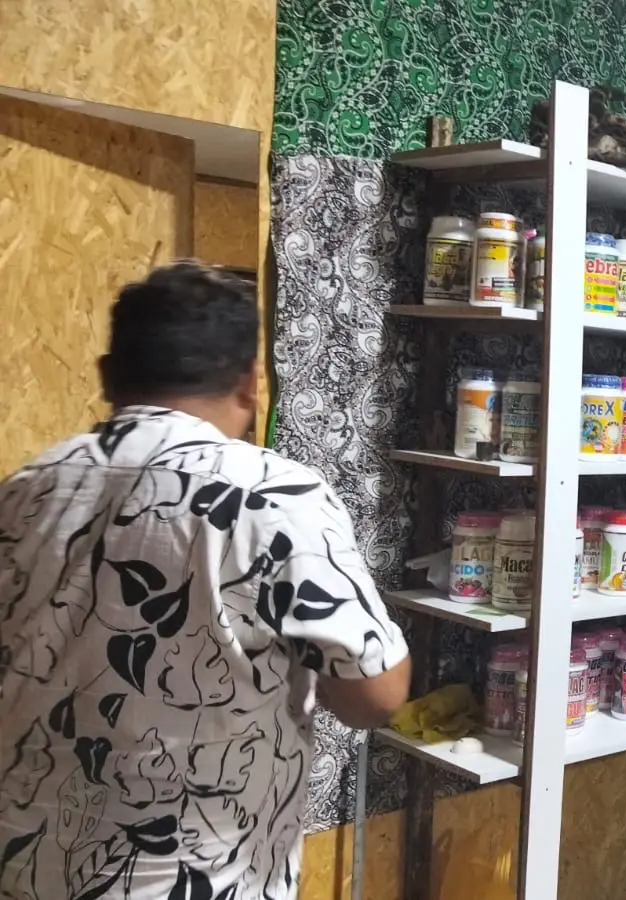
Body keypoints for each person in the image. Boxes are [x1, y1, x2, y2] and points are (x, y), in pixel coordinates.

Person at [0, 263, 411, 900]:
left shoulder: (26, 489)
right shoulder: (272, 498)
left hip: (25, 871)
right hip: (195, 882)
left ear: (108, 376)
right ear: (250, 383)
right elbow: (375, 696)